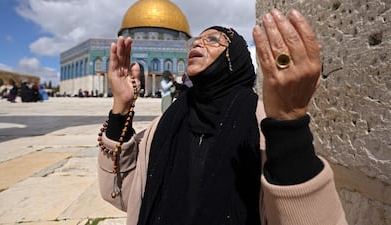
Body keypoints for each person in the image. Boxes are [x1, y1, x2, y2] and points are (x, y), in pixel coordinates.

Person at [97, 9, 347, 225]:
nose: (197, 44)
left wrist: (288, 125)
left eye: (213, 39)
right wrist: (121, 108)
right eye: (195, 40)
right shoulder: (166, 124)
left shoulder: (260, 123)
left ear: (234, 58)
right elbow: (122, 193)